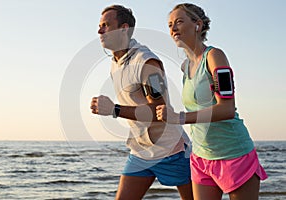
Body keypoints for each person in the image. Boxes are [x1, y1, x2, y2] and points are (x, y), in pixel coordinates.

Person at [156, 3, 267, 200]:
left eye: (179, 22)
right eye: (170, 24)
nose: (173, 28)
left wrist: (179, 118)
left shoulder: (215, 56)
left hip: (233, 153)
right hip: (201, 157)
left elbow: (227, 109)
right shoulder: (186, 66)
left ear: (197, 25)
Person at [90, 5, 193, 200]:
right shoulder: (116, 61)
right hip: (140, 151)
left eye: (106, 25)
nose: (100, 30)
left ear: (124, 29)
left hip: (171, 151)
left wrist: (114, 109)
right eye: (99, 25)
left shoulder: (146, 63)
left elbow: (159, 111)